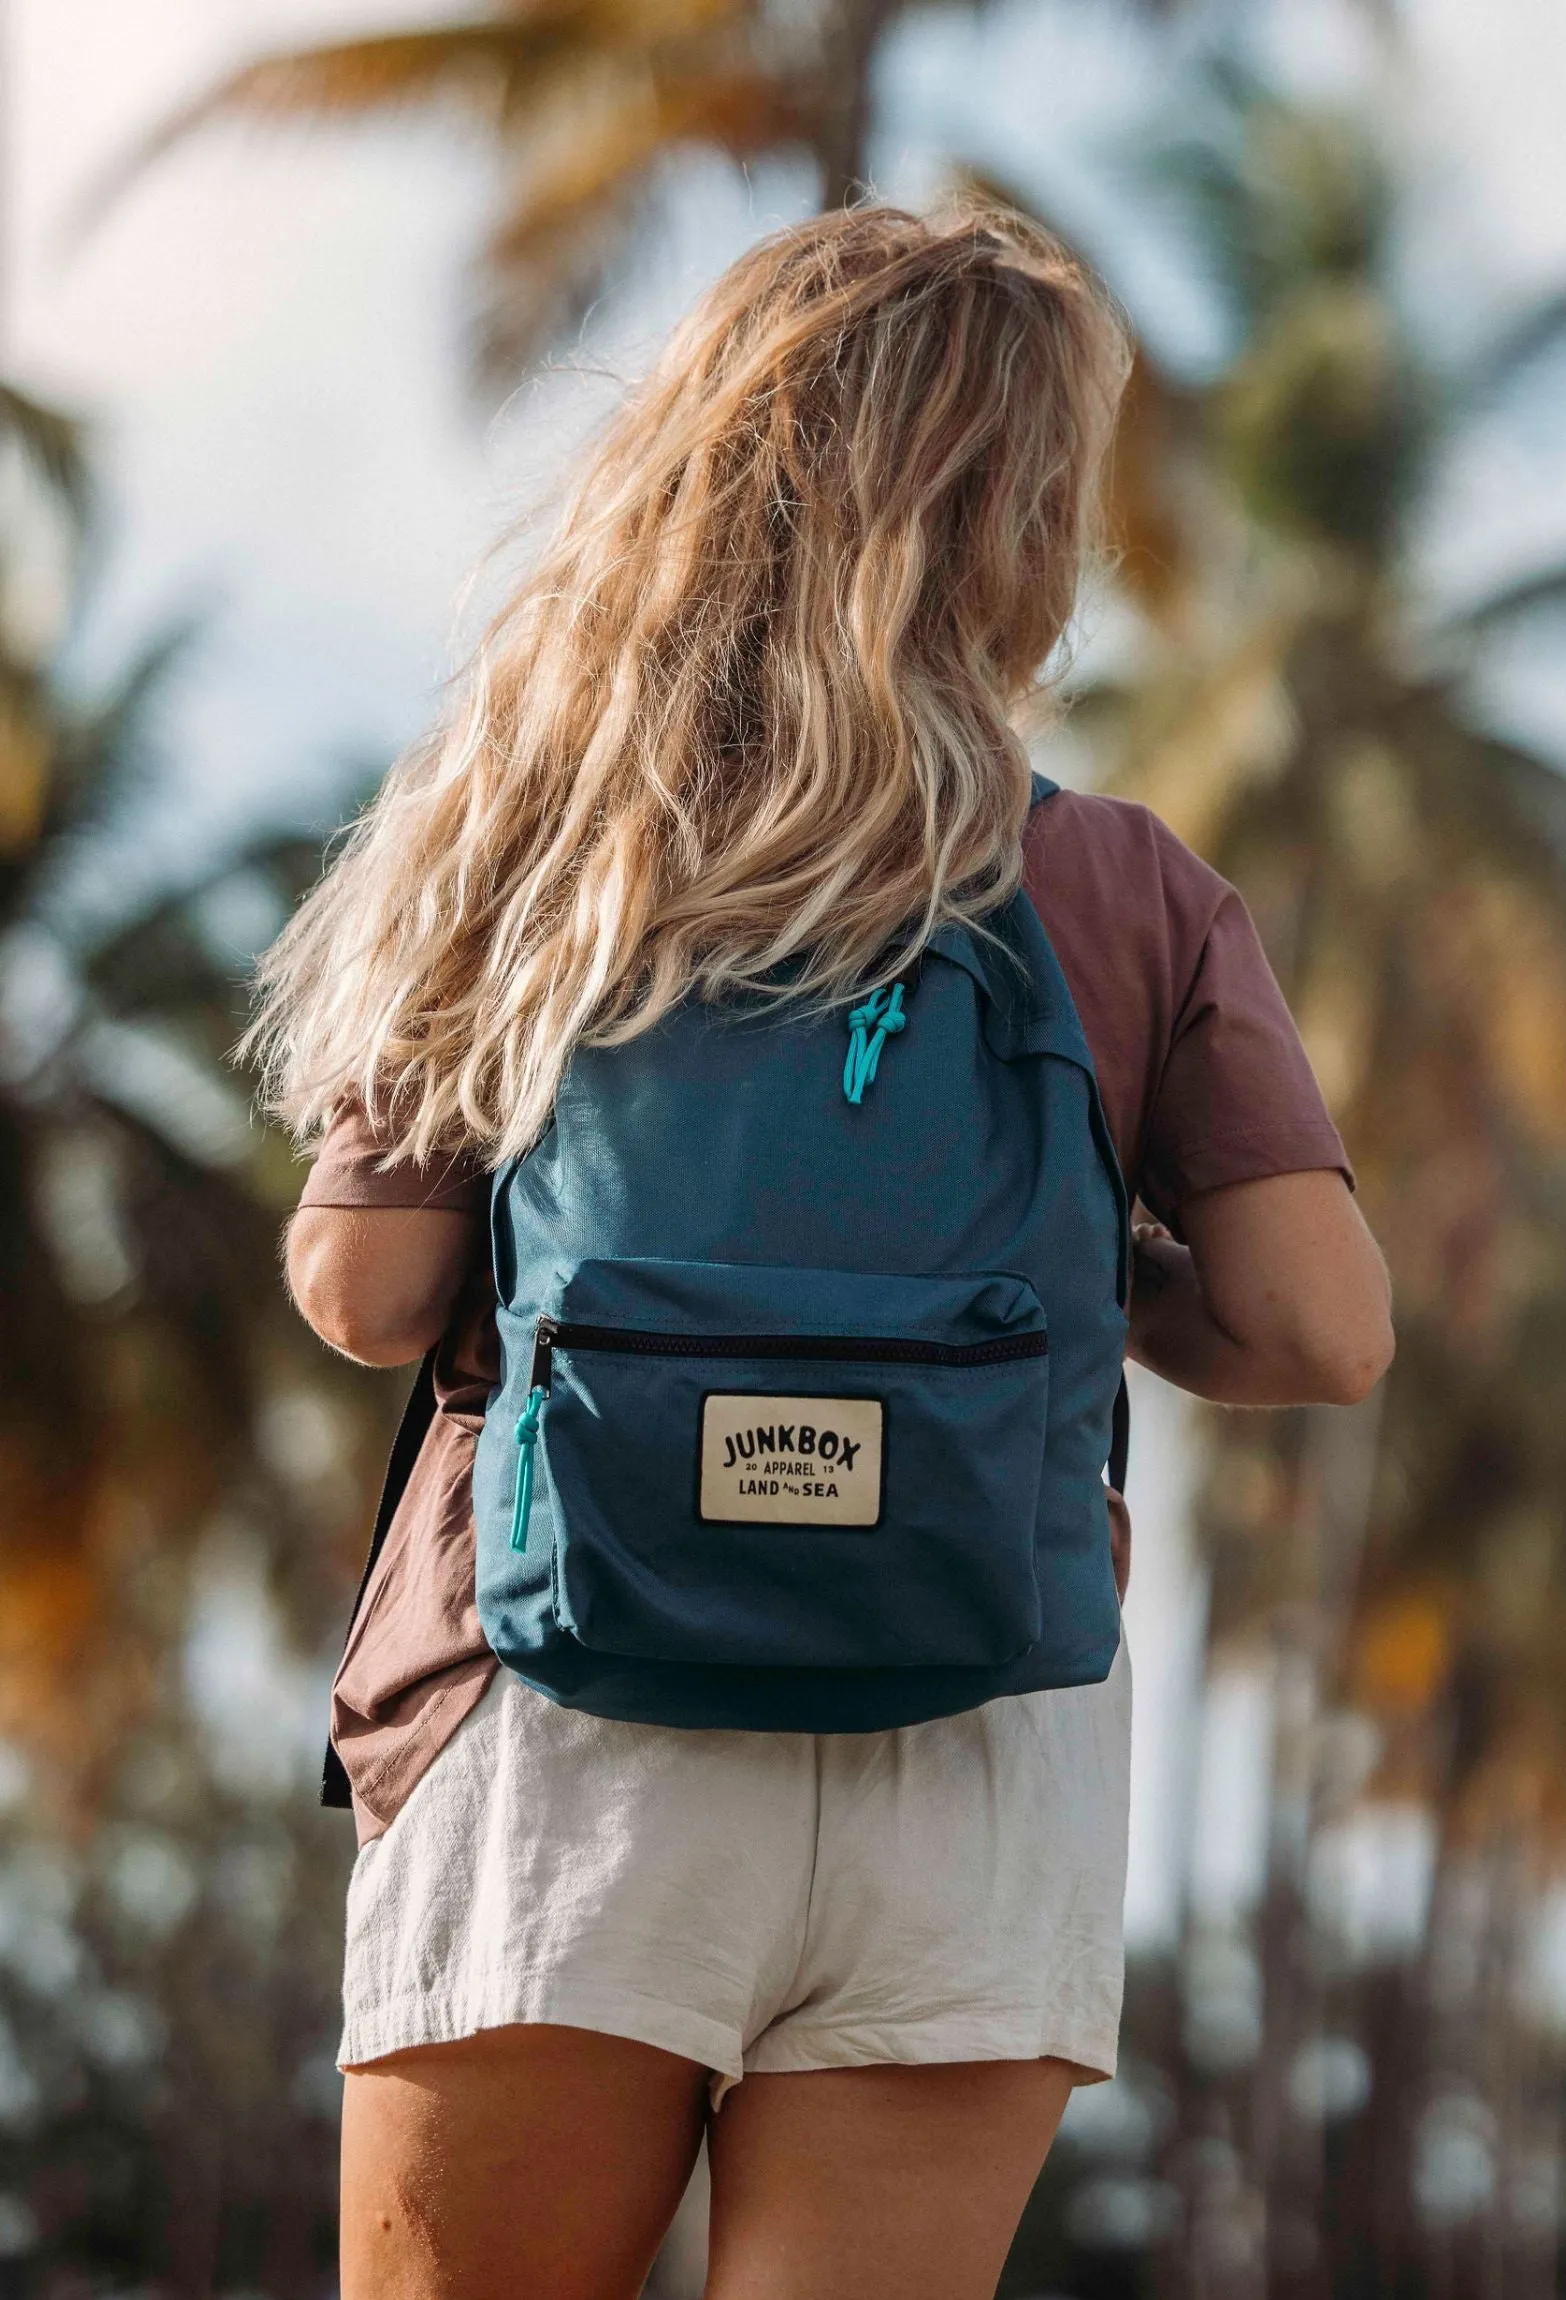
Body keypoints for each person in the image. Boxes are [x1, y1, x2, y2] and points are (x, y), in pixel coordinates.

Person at [258, 204, 1392, 2300]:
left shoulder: (540, 828)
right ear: (1023, 519)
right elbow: (1319, 1326)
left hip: (560, 1693)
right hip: (966, 1727)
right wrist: (1066, 1271)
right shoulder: (1120, 884)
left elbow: (368, 1293)